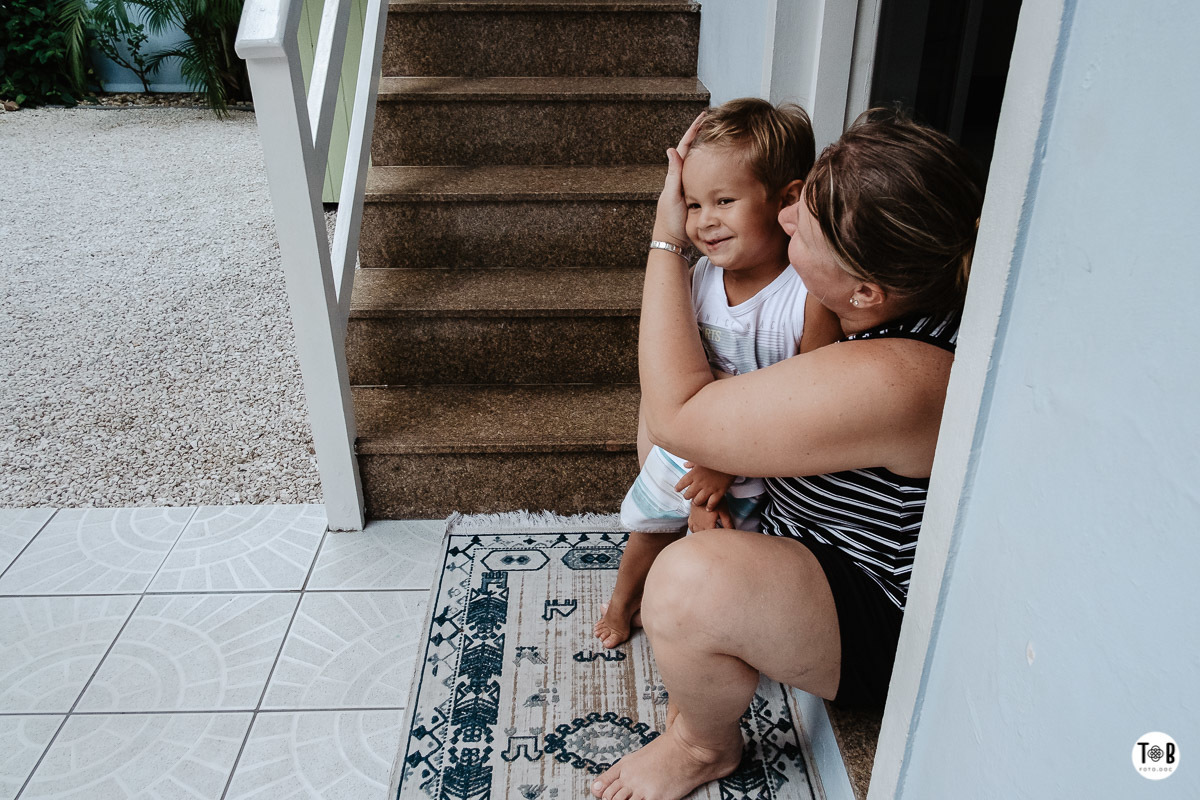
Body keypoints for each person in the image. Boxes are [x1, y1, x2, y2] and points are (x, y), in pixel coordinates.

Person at [590, 108, 985, 800]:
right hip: (802, 526)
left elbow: (680, 415)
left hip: (873, 614)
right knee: (672, 469)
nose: (789, 214)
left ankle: (701, 747)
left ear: (863, 290)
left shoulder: (900, 378)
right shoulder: (872, 311)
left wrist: (665, 238)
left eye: (809, 218)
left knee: (682, 584)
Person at [594, 97, 842, 650]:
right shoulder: (699, 277)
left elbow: (806, 405)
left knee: (728, 555)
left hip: (761, 460)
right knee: (650, 529)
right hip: (689, 451)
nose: (704, 221)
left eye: (724, 201)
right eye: (692, 203)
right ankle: (623, 598)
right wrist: (704, 458)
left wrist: (726, 469)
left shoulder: (806, 299)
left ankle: (709, 631)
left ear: (788, 199)